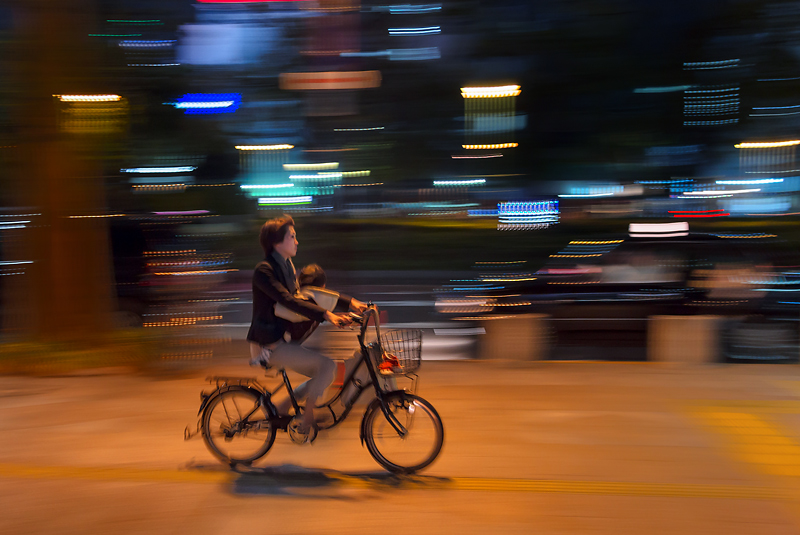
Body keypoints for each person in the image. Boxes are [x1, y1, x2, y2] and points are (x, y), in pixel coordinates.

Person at [246, 215, 366, 437]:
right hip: (268, 346)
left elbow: (313, 294)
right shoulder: (264, 271)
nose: (297, 241)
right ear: (277, 242)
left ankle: (282, 407)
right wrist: (328, 315)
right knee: (326, 367)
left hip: (283, 341)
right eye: (292, 237)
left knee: (326, 369)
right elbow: (289, 301)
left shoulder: (287, 268)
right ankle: (307, 418)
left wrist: (351, 303)